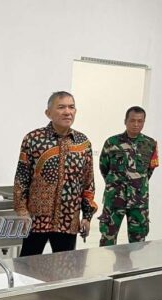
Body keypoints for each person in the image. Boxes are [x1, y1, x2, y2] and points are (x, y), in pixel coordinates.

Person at [13, 91, 97, 255]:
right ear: (48, 113)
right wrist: (22, 211)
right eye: (61, 107)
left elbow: (88, 183)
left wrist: (87, 216)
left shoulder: (83, 143)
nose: (67, 112)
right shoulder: (33, 139)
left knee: (65, 266)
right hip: (36, 220)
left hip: (68, 220)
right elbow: (21, 179)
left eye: (71, 107)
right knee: (27, 265)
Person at [98, 106, 159, 246]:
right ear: (125, 121)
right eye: (132, 120)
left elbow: (149, 171)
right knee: (107, 239)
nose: (136, 124)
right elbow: (104, 167)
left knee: (138, 242)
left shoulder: (150, 144)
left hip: (138, 201)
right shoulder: (112, 142)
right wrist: (115, 184)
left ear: (144, 122)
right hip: (114, 199)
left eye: (140, 121)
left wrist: (136, 185)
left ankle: (134, 262)